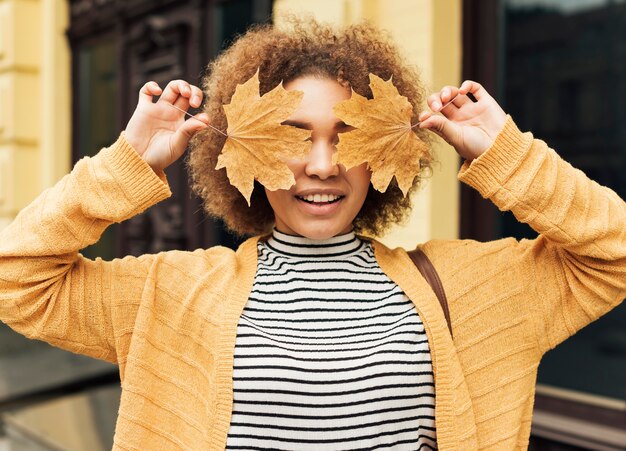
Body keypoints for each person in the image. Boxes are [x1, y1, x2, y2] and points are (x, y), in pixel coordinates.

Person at [0, 20, 624, 451]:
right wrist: (127, 161)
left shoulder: (472, 288)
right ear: (234, 150)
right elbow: (16, 278)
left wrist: (509, 155)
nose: (322, 165)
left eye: (349, 134)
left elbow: (613, 256)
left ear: (388, 149)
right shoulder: (168, 292)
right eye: (291, 135)